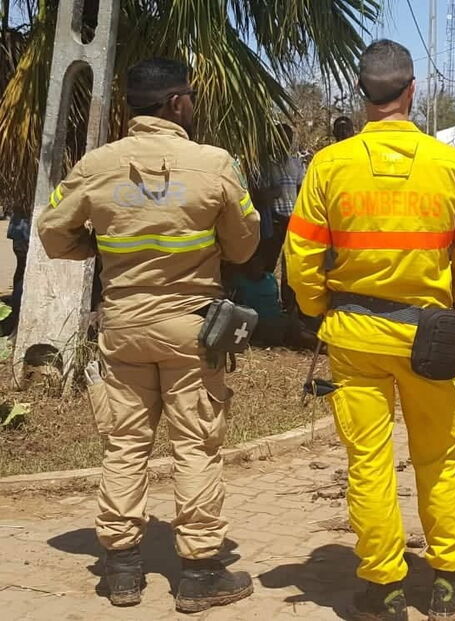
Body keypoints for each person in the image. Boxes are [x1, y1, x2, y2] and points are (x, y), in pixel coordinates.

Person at [37, 58, 260, 613]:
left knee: (125, 443)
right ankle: (201, 573)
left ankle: (121, 570)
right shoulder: (214, 164)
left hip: (124, 326)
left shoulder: (96, 165)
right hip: (192, 329)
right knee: (196, 445)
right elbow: (243, 246)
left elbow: (53, 234)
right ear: (177, 103)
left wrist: (101, 248)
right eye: (191, 98)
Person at [285, 39, 455, 621]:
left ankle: (384, 591)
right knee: (438, 459)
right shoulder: (451, 165)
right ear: (413, 90)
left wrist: (318, 307)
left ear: (360, 91)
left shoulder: (329, 165)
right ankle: (450, 584)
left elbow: (301, 258)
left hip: (353, 336)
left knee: (369, 464)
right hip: (430, 338)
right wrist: (452, 300)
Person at [255, 123, 305, 311]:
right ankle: (267, 304)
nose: (285, 141)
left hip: (293, 221)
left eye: (288, 138)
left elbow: (301, 191)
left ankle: (289, 305)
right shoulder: (265, 164)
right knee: (268, 263)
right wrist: (273, 193)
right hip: (274, 221)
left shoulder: (296, 163)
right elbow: (259, 195)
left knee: (292, 265)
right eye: (281, 137)